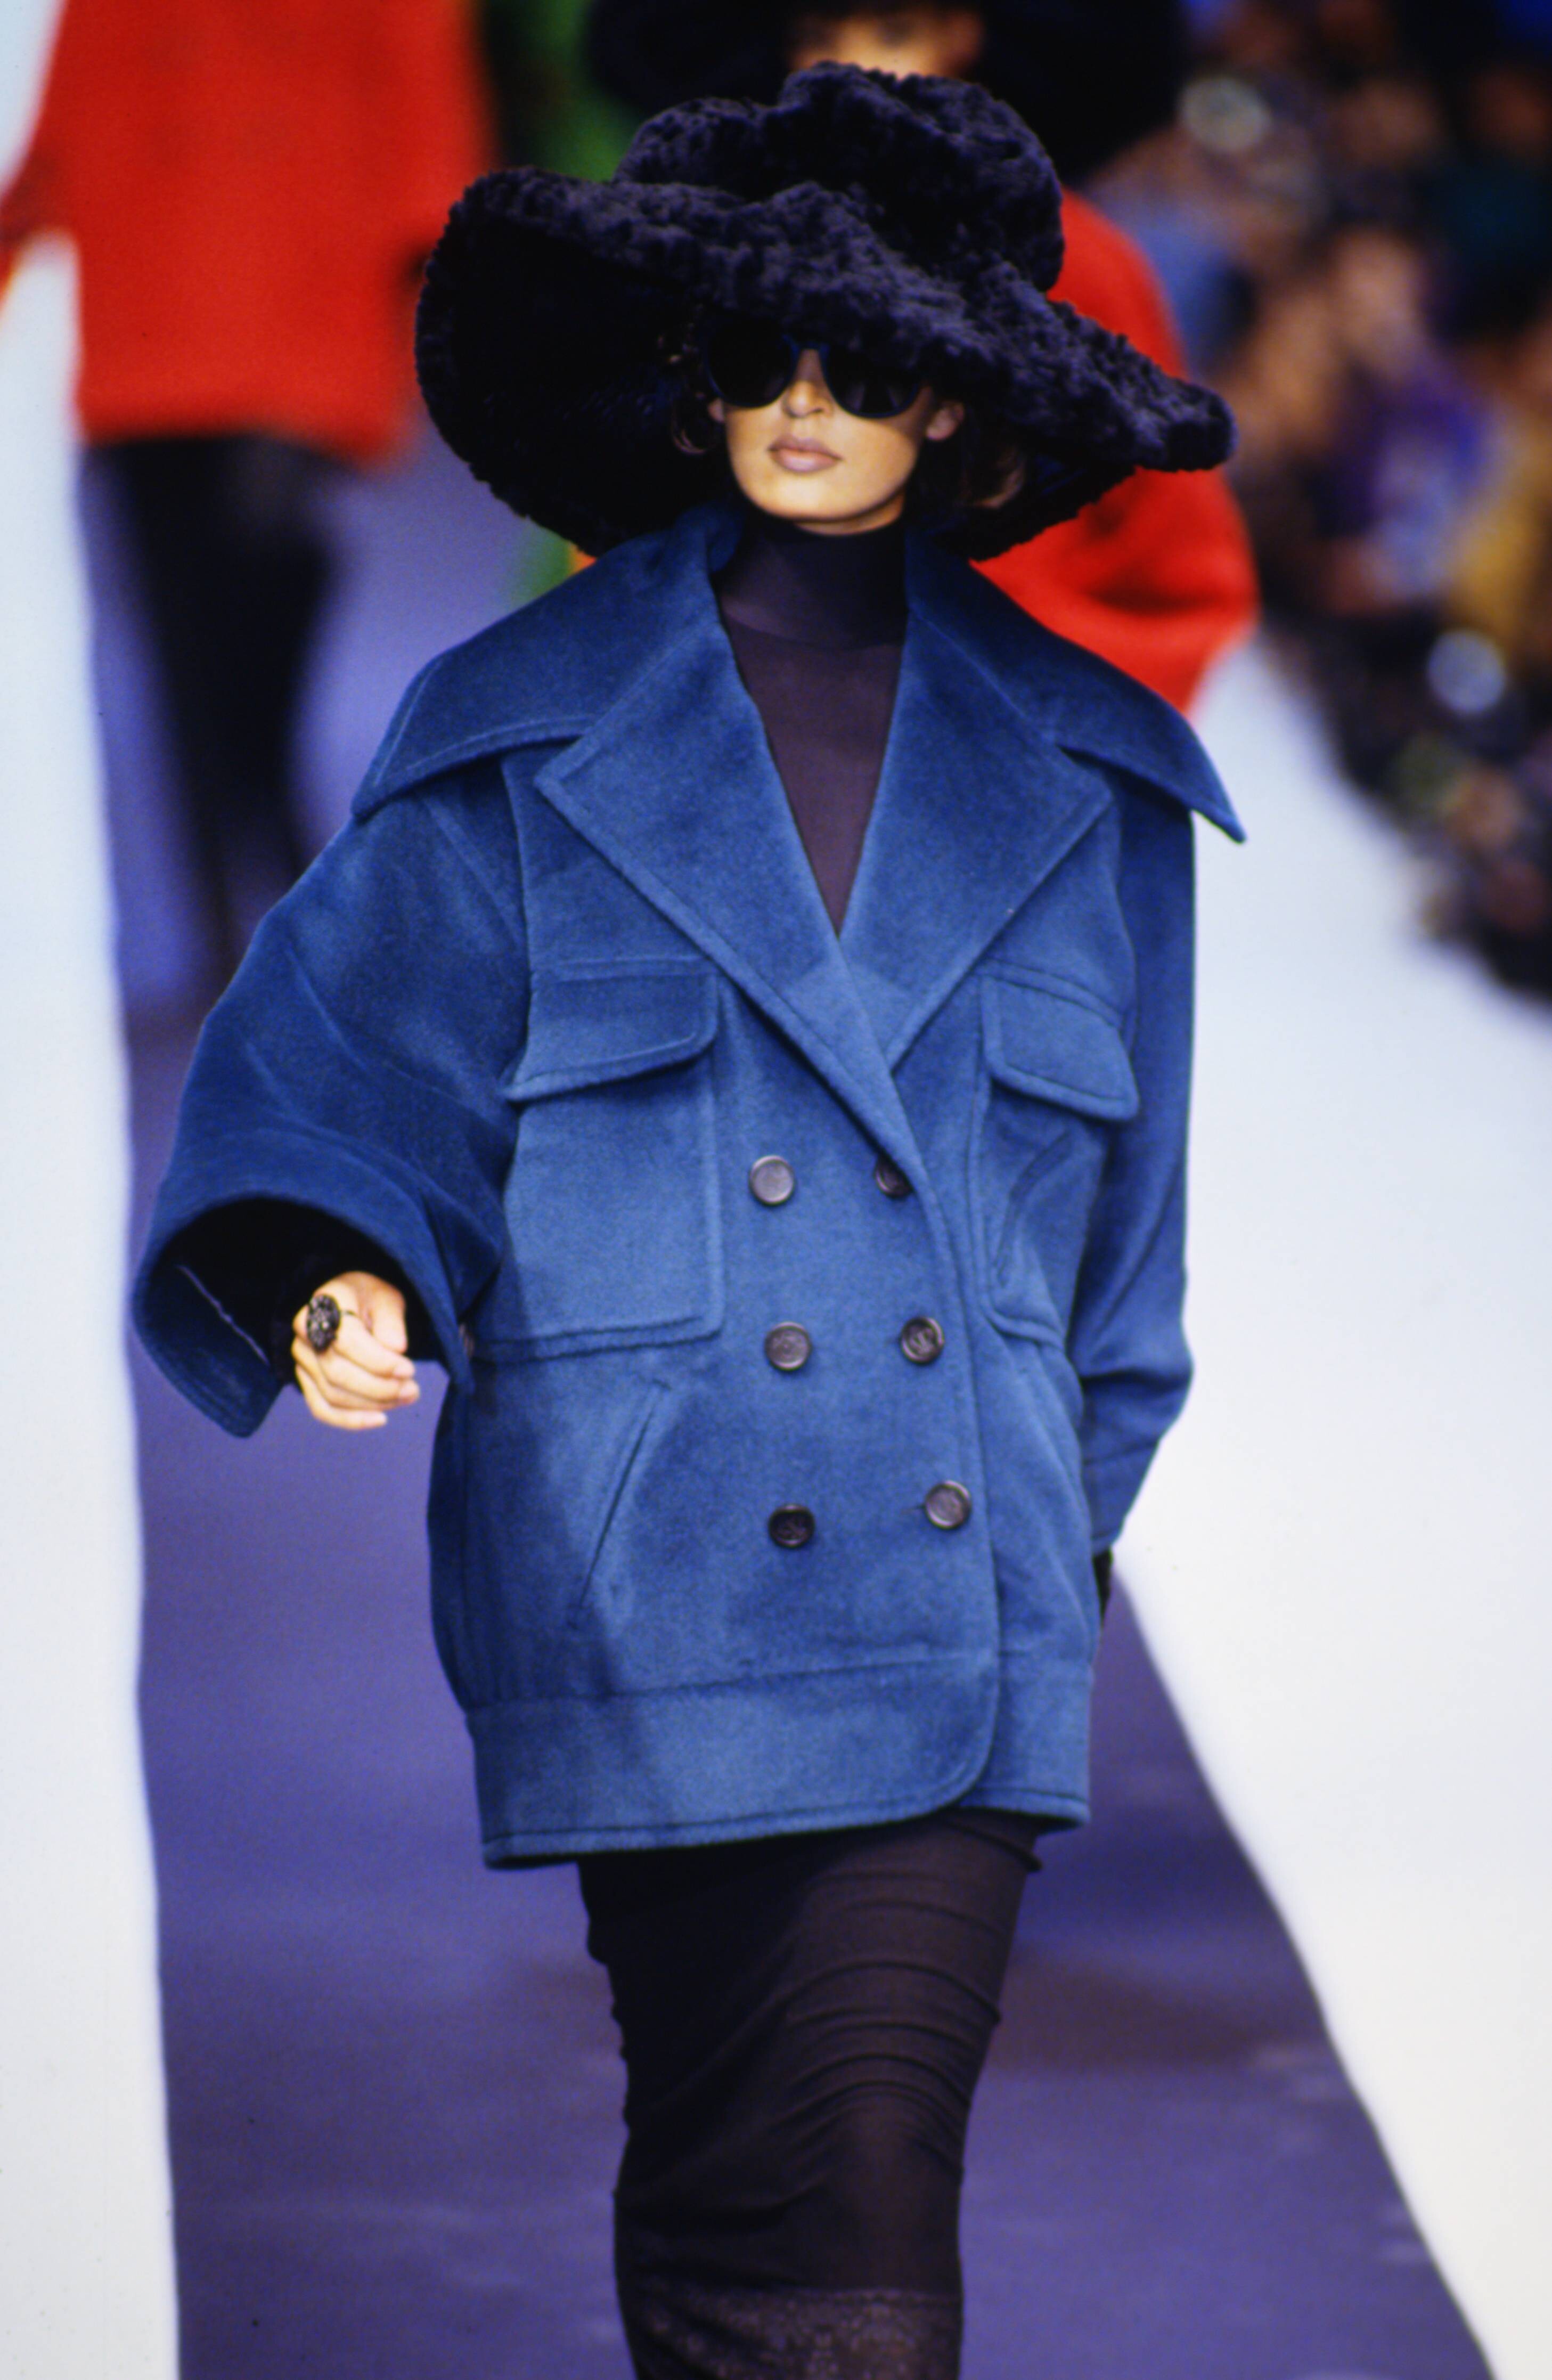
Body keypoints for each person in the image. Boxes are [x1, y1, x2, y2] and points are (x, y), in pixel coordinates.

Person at [135, 65, 1242, 2378]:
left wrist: (1041, 1549)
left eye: (865, 362)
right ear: (691, 379)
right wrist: (339, 1269)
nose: (804, 404)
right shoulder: (516, 735)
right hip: (643, 1594)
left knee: (859, 2193)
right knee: (738, 2188)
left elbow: (1123, 1266)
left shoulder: (1097, 780)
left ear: (955, 403)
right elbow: (341, 1057)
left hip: (951, 1623)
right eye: (758, 355)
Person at [0, 0, 488, 984]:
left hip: (259, 351)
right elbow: (64, 142)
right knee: (213, 685)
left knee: (224, 681)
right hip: (204, 356)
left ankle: (268, 943)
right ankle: (272, 949)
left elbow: (425, 158)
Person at [584, 0, 1260, 711]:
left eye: (892, 31)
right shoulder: (719, 250)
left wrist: (1018, 689)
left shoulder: (1083, 268)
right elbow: (618, 500)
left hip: (990, 736)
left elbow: (1183, 574)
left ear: (963, 37)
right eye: (816, 34)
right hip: (729, 712)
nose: (849, 66)